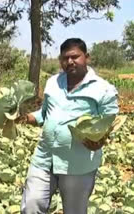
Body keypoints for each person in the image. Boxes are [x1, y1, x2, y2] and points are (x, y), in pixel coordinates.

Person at [20, 38, 119, 214]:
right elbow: (44, 114)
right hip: (45, 158)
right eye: (65, 58)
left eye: (75, 57)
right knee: (31, 205)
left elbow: (110, 123)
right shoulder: (53, 82)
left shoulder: (103, 89)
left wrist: (100, 141)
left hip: (77, 164)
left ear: (86, 57)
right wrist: (25, 118)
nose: (70, 62)